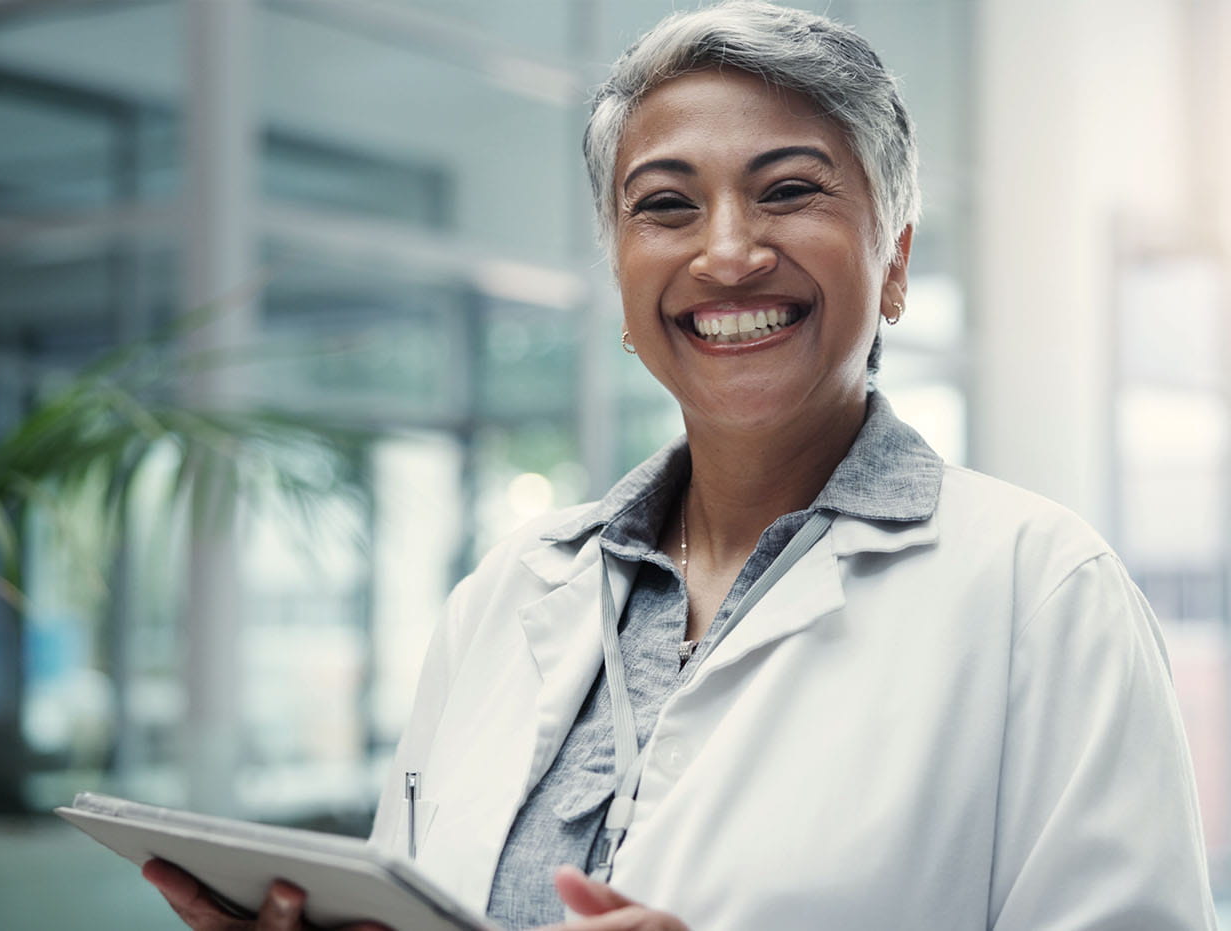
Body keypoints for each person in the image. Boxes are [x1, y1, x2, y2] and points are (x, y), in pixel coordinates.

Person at [146, 2, 1218, 928]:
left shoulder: (1042, 594)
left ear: (891, 261)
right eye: (663, 204)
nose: (725, 251)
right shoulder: (508, 592)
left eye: (788, 189)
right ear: (619, 276)